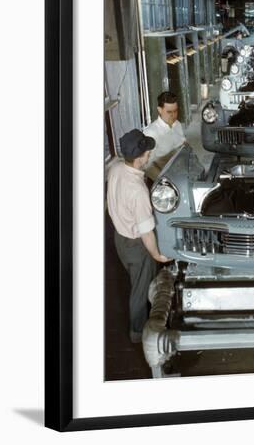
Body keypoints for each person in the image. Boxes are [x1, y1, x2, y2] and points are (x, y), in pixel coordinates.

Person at [107, 129, 171, 343]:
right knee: (140, 290)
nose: (149, 155)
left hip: (120, 238)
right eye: (146, 153)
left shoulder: (116, 168)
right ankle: (137, 334)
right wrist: (157, 255)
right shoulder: (137, 191)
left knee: (136, 282)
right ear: (139, 157)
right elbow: (146, 232)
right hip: (136, 246)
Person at [143, 91, 186, 181]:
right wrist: (165, 182)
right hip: (162, 179)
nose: (173, 115)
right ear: (159, 110)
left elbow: (183, 145)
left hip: (179, 171)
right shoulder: (151, 133)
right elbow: (147, 166)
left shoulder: (177, 124)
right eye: (169, 112)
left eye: (175, 111)